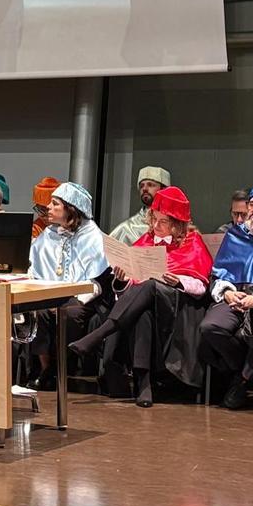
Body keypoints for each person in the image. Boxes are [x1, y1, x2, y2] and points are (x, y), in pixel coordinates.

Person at [68, 187, 213, 407]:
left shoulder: (192, 243)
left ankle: (102, 332)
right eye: (153, 219)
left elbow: (201, 287)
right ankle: (144, 383)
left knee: (152, 284)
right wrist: (122, 280)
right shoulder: (146, 239)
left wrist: (179, 281)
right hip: (147, 309)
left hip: (178, 310)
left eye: (163, 222)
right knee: (142, 312)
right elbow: (129, 290)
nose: (155, 226)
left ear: (177, 224)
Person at [25, 182, 113, 390]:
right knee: (39, 311)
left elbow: (98, 279)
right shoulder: (49, 234)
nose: (49, 207)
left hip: (84, 294)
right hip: (50, 290)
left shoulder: (92, 236)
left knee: (69, 313)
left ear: (71, 209)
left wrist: (77, 296)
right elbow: (33, 264)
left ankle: (63, 368)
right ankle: (46, 368)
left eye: (55, 204)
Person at [200, 181, 253, 410]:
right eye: (252, 204)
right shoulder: (234, 235)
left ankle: (242, 381)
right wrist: (228, 293)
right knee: (211, 327)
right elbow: (219, 272)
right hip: (236, 294)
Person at [110, 166, 171, 246]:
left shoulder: (177, 226)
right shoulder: (126, 229)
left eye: (151, 185)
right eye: (141, 186)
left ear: (164, 189)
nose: (144, 189)